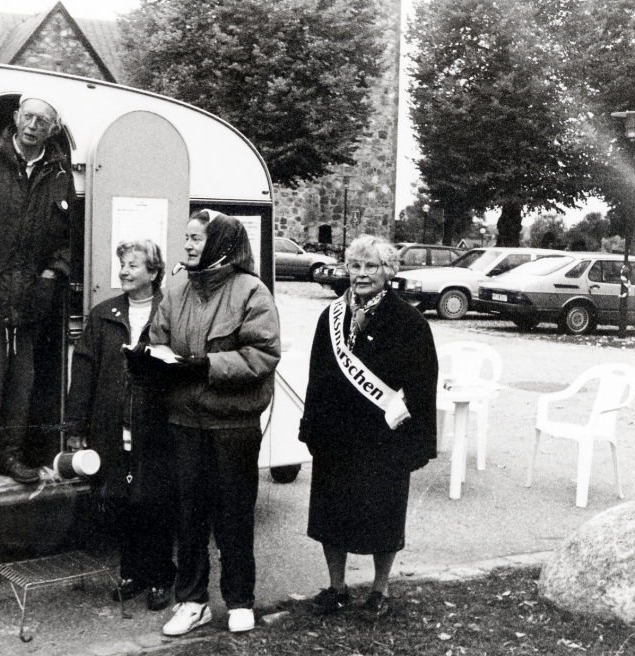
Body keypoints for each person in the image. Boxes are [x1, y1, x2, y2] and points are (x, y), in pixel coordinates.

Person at [131, 210, 280, 636]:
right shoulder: (176, 288)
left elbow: (262, 355)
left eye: (197, 238)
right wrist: (145, 355)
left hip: (232, 425)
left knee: (233, 514)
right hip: (184, 421)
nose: (189, 245)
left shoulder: (252, 291)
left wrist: (205, 364)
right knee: (188, 515)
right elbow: (157, 339)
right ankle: (192, 601)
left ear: (220, 244)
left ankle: (239, 600)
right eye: (186, 237)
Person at [298, 234, 438, 619]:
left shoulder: (409, 322)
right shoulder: (330, 317)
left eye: (371, 266)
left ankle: (380, 590)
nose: (361, 274)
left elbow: (423, 387)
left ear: (388, 271)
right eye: (356, 266)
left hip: (384, 439)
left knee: (384, 515)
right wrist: (310, 427)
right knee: (330, 514)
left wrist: (420, 443)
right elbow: (317, 376)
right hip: (336, 436)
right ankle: (337, 587)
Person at [0, 93, 75, 494]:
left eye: (43, 121)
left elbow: (67, 236)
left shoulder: (59, 170)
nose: (33, 126)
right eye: (28, 117)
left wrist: (49, 276)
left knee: (22, 380)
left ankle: (12, 456)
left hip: (30, 294)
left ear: (53, 129)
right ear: (15, 117)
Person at [64, 239, 176, 612]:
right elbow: (83, 372)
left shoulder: (171, 310)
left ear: (154, 272)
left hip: (157, 426)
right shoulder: (103, 314)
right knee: (121, 499)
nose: (124, 271)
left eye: (133, 265)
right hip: (113, 426)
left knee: (156, 502)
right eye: (122, 265)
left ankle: (161, 576)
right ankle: (133, 572)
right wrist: (77, 425)